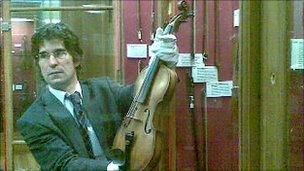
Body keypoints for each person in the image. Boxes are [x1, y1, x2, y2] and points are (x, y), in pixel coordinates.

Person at [17, 22, 178, 171]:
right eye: (44, 55)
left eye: (59, 53)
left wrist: (160, 64)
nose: (52, 62)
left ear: (76, 59)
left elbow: (141, 96)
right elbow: (64, 163)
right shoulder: (33, 119)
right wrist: (115, 168)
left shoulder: (104, 89)